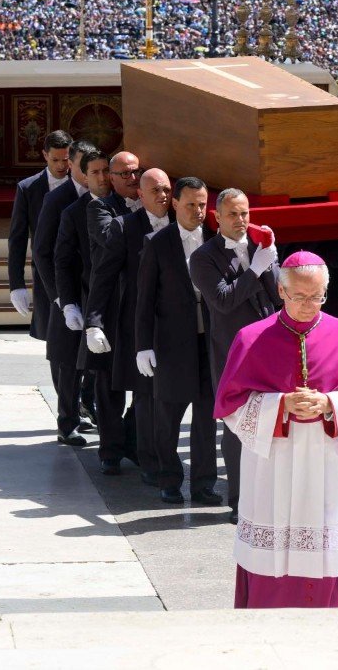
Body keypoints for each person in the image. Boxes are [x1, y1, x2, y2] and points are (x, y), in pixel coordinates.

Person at [215, 250, 338, 609]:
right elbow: (229, 407)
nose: (310, 305)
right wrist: (279, 404)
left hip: (326, 464)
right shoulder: (251, 338)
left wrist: (330, 404)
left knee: (323, 549)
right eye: (300, 297)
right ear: (281, 291)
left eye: (318, 296)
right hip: (272, 463)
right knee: (270, 555)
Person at [190, 188, 282, 523]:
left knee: (272, 421)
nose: (241, 221)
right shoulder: (203, 257)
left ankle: (269, 494)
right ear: (217, 218)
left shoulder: (259, 247)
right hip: (234, 353)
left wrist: (269, 264)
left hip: (271, 348)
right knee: (237, 426)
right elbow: (224, 301)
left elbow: (279, 297)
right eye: (233, 215)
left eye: (245, 213)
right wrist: (255, 271)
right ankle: (239, 501)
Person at [134, 176, 222, 505]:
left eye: (203, 204)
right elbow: (144, 300)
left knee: (206, 417)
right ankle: (168, 478)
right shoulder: (158, 243)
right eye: (191, 205)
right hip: (171, 344)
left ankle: (203, 484)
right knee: (167, 416)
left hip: (209, 343)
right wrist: (143, 346)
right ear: (175, 204)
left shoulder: (216, 239)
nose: (198, 211)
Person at [85, 168, 172, 485]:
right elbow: (103, 276)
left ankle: (140, 447)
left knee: (156, 396)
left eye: (166, 190)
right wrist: (92, 322)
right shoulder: (124, 228)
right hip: (133, 324)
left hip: (172, 325)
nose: (163, 196)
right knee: (129, 390)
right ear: (141, 196)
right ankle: (125, 454)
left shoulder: (182, 224)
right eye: (155, 191)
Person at [54, 147, 118, 471]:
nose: (102, 177)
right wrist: (67, 303)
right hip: (85, 299)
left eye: (106, 170)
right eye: (95, 172)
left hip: (117, 302)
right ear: (82, 174)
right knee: (75, 367)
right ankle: (71, 422)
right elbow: (62, 261)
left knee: (108, 375)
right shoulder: (72, 212)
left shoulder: (123, 205)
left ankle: (113, 434)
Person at [83, 150, 144, 470]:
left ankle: (131, 441)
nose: (133, 179)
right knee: (108, 384)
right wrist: (147, 213)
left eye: (137, 172)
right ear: (111, 177)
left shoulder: (155, 207)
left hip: (143, 307)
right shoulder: (100, 207)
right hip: (111, 307)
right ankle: (109, 449)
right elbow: (109, 238)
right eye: (125, 174)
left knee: (146, 383)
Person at [30, 139, 94, 445]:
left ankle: (88, 408)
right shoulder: (58, 200)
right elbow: (42, 251)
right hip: (64, 291)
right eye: (79, 163)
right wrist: (59, 297)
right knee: (66, 361)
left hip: (94, 290)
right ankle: (67, 422)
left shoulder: (102, 196)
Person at [8, 130, 72, 338]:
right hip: (46, 273)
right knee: (53, 339)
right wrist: (16, 284)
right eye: (55, 160)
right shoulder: (28, 188)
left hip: (76, 269)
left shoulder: (82, 184)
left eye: (66, 159)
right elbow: (17, 238)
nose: (62, 166)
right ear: (45, 155)